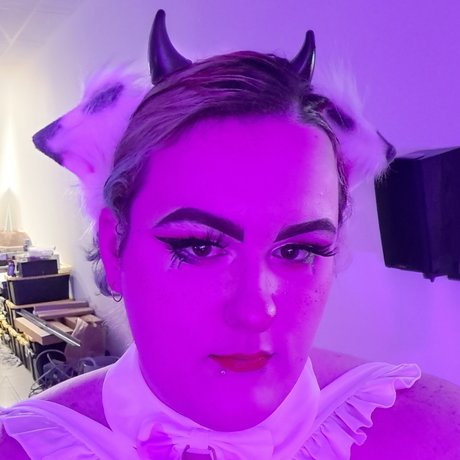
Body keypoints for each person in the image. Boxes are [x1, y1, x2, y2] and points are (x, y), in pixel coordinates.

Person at [1, 9, 459, 460]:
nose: (255, 311)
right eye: (199, 247)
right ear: (114, 250)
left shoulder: (434, 435)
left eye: (297, 250)